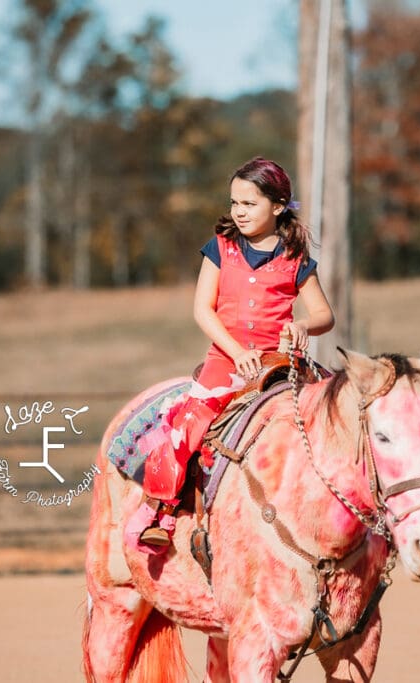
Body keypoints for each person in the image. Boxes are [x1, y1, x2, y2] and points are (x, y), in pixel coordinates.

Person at [127, 157, 335, 551]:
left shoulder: (296, 258)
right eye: (235, 203)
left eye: (249, 204)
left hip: (278, 362)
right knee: (188, 424)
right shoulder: (220, 248)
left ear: (277, 206)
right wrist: (237, 352)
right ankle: (161, 511)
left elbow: (324, 314)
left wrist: (302, 326)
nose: (239, 212)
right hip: (226, 359)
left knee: (327, 420)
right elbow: (202, 309)